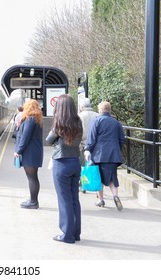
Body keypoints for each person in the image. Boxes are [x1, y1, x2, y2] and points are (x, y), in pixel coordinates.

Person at [46, 94, 83, 243]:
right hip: (75, 162)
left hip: (61, 164)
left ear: (59, 107)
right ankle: (75, 233)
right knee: (74, 199)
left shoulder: (59, 122)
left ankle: (67, 235)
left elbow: (49, 140)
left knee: (64, 200)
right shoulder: (78, 121)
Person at [84, 101, 125, 211]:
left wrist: (87, 149)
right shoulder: (116, 123)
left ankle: (100, 199)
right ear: (109, 110)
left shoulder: (96, 121)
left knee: (98, 177)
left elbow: (91, 138)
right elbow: (122, 139)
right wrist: (116, 148)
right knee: (112, 177)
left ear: (100, 110)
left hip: (98, 154)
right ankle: (115, 196)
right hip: (113, 155)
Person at [13, 100, 43, 209]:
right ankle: (33, 200)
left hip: (30, 152)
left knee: (32, 177)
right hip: (34, 151)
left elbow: (26, 136)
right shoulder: (36, 119)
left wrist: (19, 151)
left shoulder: (30, 119)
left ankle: (33, 202)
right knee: (33, 177)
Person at [78, 98, 98, 166]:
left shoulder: (79, 116)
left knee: (84, 169)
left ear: (81, 107)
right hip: (96, 147)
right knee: (94, 170)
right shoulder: (97, 116)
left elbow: (78, 133)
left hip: (83, 146)